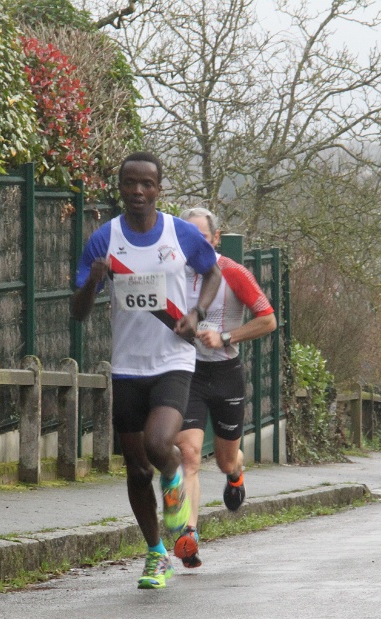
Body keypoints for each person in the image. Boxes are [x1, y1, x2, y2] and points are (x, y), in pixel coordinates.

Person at [71, 152, 222, 589]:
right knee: (137, 469)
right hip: (127, 366)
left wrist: (197, 313)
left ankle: (174, 486)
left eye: (147, 184)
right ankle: (157, 554)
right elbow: (77, 312)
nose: (138, 191)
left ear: (159, 188)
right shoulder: (104, 238)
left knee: (159, 444)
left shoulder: (180, 233)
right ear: (120, 187)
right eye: (130, 183)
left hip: (173, 359)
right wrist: (93, 280)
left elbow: (212, 274)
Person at [173, 207, 277, 569]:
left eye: (202, 237)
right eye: (187, 237)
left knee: (224, 460)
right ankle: (188, 535)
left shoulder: (233, 272)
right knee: (188, 454)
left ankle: (235, 474)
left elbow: (268, 320)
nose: (194, 245)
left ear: (215, 239)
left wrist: (226, 337)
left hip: (226, 374)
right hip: (188, 372)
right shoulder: (174, 272)